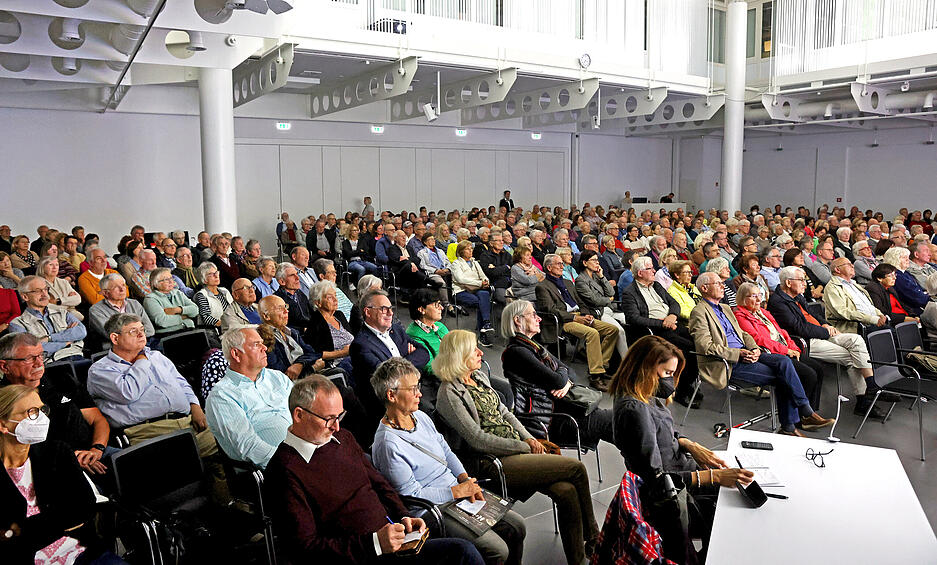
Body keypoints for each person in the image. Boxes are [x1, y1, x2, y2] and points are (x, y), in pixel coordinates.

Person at [264, 375, 484, 565]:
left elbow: (379, 484)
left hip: (392, 543)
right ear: (299, 415)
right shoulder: (283, 471)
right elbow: (306, 549)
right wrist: (375, 543)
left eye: (339, 417)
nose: (336, 427)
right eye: (328, 419)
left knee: (464, 552)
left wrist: (403, 515)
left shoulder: (342, 438)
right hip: (360, 556)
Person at [434, 330, 599, 565]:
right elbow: (477, 439)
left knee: (567, 491)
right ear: (459, 356)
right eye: (474, 350)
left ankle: (579, 559)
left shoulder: (478, 377)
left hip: (518, 449)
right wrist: (523, 446)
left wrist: (530, 439)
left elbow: (505, 414)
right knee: (576, 468)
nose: (482, 352)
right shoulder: (449, 393)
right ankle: (595, 539)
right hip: (492, 460)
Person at [608, 335, 754, 563]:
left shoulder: (646, 396)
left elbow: (664, 433)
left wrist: (689, 444)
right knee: (739, 509)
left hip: (684, 478)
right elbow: (656, 481)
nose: (671, 381)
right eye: (667, 373)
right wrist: (714, 476)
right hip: (673, 497)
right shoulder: (635, 410)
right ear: (645, 369)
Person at [370, 358, 526, 565]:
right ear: (392, 395)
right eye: (413, 388)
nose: (420, 393)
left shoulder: (420, 417)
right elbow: (409, 495)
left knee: (518, 526)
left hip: (456, 492)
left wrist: (464, 478)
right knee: (497, 550)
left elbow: (446, 450)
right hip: (432, 509)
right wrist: (457, 491)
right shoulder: (388, 444)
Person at [86, 313, 228, 501]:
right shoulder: (100, 370)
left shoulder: (157, 356)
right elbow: (129, 391)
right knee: (183, 474)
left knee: (226, 451)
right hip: (148, 431)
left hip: (188, 421)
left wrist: (195, 406)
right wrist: (142, 359)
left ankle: (225, 506)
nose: (141, 335)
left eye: (142, 330)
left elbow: (181, 383)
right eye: (133, 331)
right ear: (115, 338)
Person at [689, 272, 834, 436]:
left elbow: (744, 335)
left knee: (783, 362)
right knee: (784, 375)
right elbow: (705, 346)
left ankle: (800, 415)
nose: (723, 286)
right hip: (728, 362)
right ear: (704, 288)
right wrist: (738, 353)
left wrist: (754, 349)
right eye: (718, 283)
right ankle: (796, 420)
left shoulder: (726, 308)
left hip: (749, 354)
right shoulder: (699, 312)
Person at [0, 385, 127, 565]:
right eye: (32, 412)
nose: (43, 418)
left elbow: (83, 507)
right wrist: (58, 519)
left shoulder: (57, 452)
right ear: (3, 424)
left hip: (83, 554)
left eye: (43, 409)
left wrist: (22, 529)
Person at [768, 266, 896, 417]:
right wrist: (825, 331)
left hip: (820, 333)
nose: (805, 283)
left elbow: (813, 314)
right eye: (801, 280)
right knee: (852, 357)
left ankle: (871, 386)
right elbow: (798, 328)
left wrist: (826, 324)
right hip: (805, 341)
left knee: (856, 339)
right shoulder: (778, 301)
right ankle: (865, 398)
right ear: (789, 283)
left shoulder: (798, 296)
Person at [500, 300, 614, 446]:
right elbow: (558, 380)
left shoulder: (534, 347)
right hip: (551, 420)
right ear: (517, 320)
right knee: (619, 422)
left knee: (622, 423)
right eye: (534, 314)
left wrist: (567, 383)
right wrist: (563, 379)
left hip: (565, 410)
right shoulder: (516, 352)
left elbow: (570, 372)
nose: (539, 318)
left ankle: (641, 466)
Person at [0, 333, 114, 478]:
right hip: (51, 468)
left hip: (96, 452)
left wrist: (96, 449)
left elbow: (98, 420)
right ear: (4, 366)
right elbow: (13, 450)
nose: (39, 363)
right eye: (29, 359)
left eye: (41, 355)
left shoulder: (62, 378)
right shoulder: (4, 400)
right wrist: (69, 459)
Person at [205, 327, 293, 469]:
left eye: (262, 343)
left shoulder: (278, 377)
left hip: (308, 450)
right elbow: (248, 445)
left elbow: (304, 411)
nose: (265, 348)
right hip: (278, 469)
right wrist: (291, 464)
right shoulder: (221, 396)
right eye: (256, 344)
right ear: (236, 354)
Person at [620, 256, 701, 408]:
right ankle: (681, 390)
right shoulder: (630, 292)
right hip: (655, 331)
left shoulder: (657, 286)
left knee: (699, 343)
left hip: (672, 324)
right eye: (650, 268)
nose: (654, 271)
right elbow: (634, 319)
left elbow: (674, 303)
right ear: (639, 273)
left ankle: (687, 382)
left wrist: (672, 316)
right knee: (689, 350)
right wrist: (663, 323)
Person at [536, 253, 619, 390]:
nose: (562, 266)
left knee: (612, 330)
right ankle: (595, 376)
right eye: (558, 264)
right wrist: (575, 318)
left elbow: (580, 302)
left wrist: (586, 314)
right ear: (549, 267)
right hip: (564, 320)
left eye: (562, 263)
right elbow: (551, 310)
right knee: (592, 334)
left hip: (580, 315)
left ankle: (601, 367)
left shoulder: (567, 282)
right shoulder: (542, 286)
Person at [733, 283, 823, 408]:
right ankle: (802, 414)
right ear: (743, 298)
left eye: (760, 295)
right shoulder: (740, 316)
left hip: (785, 348)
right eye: (754, 296)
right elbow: (758, 339)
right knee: (809, 375)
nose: (759, 299)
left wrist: (792, 347)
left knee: (818, 369)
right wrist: (786, 350)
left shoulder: (763, 312)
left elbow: (781, 332)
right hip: (771, 353)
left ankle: (812, 411)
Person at [350, 290, 430, 426]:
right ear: (368, 312)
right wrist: (407, 357)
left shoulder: (396, 330)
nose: (390, 313)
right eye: (383, 309)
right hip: (390, 406)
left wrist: (399, 362)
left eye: (391, 308)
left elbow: (424, 353)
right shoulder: (360, 345)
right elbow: (387, 377)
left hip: (414, 390)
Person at [9, 276, 86, 363]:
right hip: (51, 364)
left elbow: (81, 331)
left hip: (77, 356)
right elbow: (30, 350)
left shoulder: (63, 313)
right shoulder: (18, 324)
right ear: (25, 297)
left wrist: (49, 338)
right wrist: (66, 341)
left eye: (46, 289)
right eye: (38, 291)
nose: (44, 294)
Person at [575, 250, 628, 357]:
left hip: (609, 309)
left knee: (632, 320)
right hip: (597, 312)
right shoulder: (580, 280)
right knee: (619, 331)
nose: (597, 263)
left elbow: (611, 292)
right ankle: (626, 362)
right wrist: (609, 299)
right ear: (585, 263)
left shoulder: (596, 276)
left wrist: (602, 277)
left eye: (597, 260)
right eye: (594, 260)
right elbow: (594, 300)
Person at [823, 257, 889, 335]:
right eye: (848, 264)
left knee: (901, 333)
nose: (853, 266)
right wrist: (871, 319)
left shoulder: (854, 284)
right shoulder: (832, 287)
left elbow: (868, 305)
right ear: (837, 269)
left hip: (873, 322)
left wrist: (879, 314)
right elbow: (842, 312)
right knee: (896, 336)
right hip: (856, 328)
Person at [88, 274, 155, 347]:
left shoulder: (134, 303)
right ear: (105, 293)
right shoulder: (96, 310)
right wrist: (139, 332)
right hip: (117, 349)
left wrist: (129, 334)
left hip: (144, 344)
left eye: (123, 285)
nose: (122, 289)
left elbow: (150, 330)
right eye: (116, 287)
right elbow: (111, 334)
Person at [451, 241, 495, 346]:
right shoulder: (456, 264)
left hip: (475, 290)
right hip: (460, 291)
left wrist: (485, 281)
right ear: (461, 251)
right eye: (468, 249)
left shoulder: (475, 262)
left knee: (484, 294)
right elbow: (461, 279)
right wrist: (479, 283)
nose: (471, 251)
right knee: (481, 302)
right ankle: (484, 330)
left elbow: (483, 275)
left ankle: (485, 325)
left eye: (471, 248)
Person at [306, 280, 354, 374]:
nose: (335, 300)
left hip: (354, 357)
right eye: (329, 297)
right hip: (338, 365)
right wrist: (342, 353)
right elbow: (316, 353)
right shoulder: (315, 323)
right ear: (318, 303)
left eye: (335, 296)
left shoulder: (339, 315)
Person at [404, 288, 450, 375]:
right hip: (442, 378)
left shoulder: (440, 326)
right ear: (422, 309)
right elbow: (430, 368)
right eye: (436, 305)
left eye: (440, 304)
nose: (442, 308)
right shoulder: (413, 335)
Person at [142, 268, 198, 335]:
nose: (171, 281)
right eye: (166, 279)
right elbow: (162, 321)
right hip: (169, 334)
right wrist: (184, 316)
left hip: (189, 329)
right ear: (155, 284)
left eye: (171, 278)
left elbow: (195, 310)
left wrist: (178, 310)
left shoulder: (178, 293)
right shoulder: (150, 299)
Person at [36, 257, 83, 321]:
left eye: (57, 265)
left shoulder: (64, 282)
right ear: (43, 267)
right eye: (51, 265)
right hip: (52, 316)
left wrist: (58, 301)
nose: (55, 267)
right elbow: (45, 306)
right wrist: (68, 303)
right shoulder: (37, 284)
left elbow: (78, 299)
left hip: (71, 315)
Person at [274, 262, 314, 335]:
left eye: (296, 274)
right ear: (282, 281)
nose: (297, 278)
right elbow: (282, 326)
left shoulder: (301, 294)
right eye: (292, 275)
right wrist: (302, 330)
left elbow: (312, 314)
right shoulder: (277, 300)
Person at [194, 262, 233, 328]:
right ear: (204, 279)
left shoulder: (225, 291)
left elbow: (235, 309)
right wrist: (227, 325)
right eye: (211, 274)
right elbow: (207, 318)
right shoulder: (201, 295)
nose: (216, 276)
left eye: (216, 272)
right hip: (217, 330)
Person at [479, 231, 512, 305]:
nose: (501, 242)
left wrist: (497, 268)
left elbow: (513, 269)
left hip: (511, 282)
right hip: (497, 285)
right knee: (505, 299)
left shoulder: (506, 254)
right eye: (499, 240)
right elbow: (491, 273)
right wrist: (506, 267)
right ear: (491, 243)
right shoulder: (485, 256)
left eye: (502, 240)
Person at [342, 224, 378, 289]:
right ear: (350, 231)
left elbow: (366, 251)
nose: (356, 232)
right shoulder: (345, 242)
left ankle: (373, 285)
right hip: (352, 262)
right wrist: (359, 251)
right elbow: (348, 254)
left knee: (375, 267)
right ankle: (360, 287)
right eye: (354, 230)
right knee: (361, 269)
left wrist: (357, 252)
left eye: (357, 230)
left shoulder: (361, 241)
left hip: (362, 260)